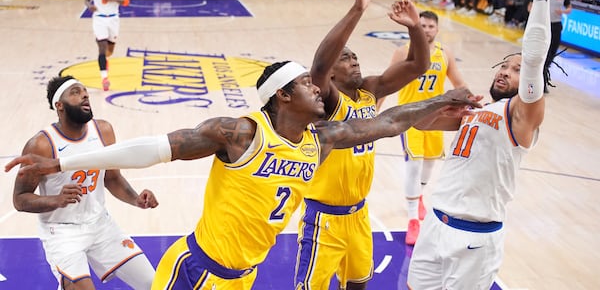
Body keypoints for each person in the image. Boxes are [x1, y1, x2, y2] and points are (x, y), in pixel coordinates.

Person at [6, 63, 480, 290]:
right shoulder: (238, 133)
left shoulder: (323, 138)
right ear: (282, 97)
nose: (319, 88)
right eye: (306, 84)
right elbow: (155, 148)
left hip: (242, 276)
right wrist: (63, 163)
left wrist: (441, 99)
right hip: (196, 269)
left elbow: (391, 121)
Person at [406, 0, 562, 290]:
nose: (506, 71)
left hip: (475, 238)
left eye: (516, 69)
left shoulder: (521, 115)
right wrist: (443, 103)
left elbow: (535, 57)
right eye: (504, 66)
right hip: (435, 224)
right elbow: (417, 122)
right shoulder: (476, 110)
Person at [294, 0, 430, 290]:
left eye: (355, 58)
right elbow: (320, 62)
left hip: (359, 214)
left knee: (358, 285)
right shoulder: (325, 100)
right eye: (346, 58)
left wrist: (414, 27)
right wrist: (358, 8)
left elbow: (418, 64)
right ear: (332, 75)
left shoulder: (370, 90)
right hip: (323, 217)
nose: (354, 61)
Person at [11, 75, 158, 289]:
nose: (84, 95)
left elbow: (112, 178)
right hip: (61, 233)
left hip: (101, 225)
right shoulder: (41, 145)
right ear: (59, 106)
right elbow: (19, 200)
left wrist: (136, 199)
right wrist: (56, 200)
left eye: (85, 91)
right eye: (75, 92)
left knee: (153, 283)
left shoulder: (103, 131)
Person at [381, 10, 467, 246]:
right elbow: (385, 85)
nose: (427, 29)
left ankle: (418, 196)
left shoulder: (445, 53)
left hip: (436, 115)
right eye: (424, 25)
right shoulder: (402, 53)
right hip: (408, 116)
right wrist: (372, 112)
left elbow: (458, 83)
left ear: (437, 29)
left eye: (431, 26)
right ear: (416, 27)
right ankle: (412, 220)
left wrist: (471, 101)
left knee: (430, 163)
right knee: (414, 163)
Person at [84, 0, 129, 91]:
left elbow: (126, 1)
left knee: (110, 49)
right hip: (99, 19)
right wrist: (89, 6)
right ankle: (104, 78)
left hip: (113, 18)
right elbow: (86, 0)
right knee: (102, 47)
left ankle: (107, 59)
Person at [544, 0, 572, 93]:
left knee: (552, 54)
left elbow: (569, 7)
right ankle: (541, 80)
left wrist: (564, 12)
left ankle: (544, 78)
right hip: (544, 26)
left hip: (556, 26)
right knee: (544, 54)